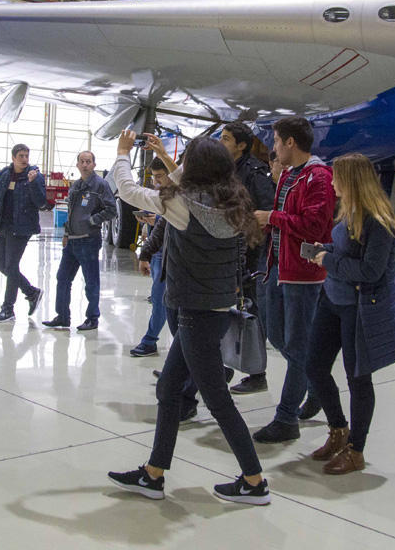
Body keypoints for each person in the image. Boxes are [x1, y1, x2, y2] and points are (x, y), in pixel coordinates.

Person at [107, 130, 270, 506]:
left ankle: (255, 481)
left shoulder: (182, 205)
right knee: (168, 389)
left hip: (195, 315)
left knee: (218, 401)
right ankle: (153, 474)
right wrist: (165, 155)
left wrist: (121, 153)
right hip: (211, 310)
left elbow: (128, 190)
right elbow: (190, 185)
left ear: (194, 169)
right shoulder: (231, 202)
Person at [306, 154, 395, 474]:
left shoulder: (378, 220)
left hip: (357, 310)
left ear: (350, 180)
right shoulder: (348, 212)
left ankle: (356, 449)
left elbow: (371, 271)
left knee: (358, 379)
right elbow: (346, 253)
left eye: (336, 177)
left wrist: (328, 261)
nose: (332, 183)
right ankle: (338, 429)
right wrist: (325, 250)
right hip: (332, 300)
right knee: (314, 366)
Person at [252, 116, 335, 443]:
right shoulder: (288, 175)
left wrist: (273, 217)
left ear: (290, 143)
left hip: (303, 274)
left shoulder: (318, 177)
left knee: (298, 346)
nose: (273, 148)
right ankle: (315, 383)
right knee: (277, 336)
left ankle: (287, 418)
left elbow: (314, 227)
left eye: (275, 141)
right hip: (277, 266)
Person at [220, 121, 276, 395]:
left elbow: (266, 214)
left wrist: (249, 248)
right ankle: (224, 364)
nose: (221, 142)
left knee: (251, 313)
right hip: (226, 249)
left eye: (227, 138)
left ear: (241, 145)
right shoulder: (224, 170)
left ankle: (257, 373)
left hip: (250, 254)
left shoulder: (255, 173)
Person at [42, 151, 116, 332]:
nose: (85, 165)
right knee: (63, 278)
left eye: (88, 161)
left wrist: (91, 221)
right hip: (72, 242)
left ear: (94, 165)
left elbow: (112, 210)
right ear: (77, 165)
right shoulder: (76, 186)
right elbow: (71, 212)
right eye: (82, 161)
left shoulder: (100, 185)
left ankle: (92, 318)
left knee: (91, 281)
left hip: (88, 241)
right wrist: (66, 234)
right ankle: (62, 316)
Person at [0, 144, 46, 324]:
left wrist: (32, 183)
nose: (24, 159)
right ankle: (31, 292)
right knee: (1, 264)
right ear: (13, 157)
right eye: (20, 156)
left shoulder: (35, 176)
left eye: (26, 156)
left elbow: (41, 203)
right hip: (4, 226)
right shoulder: (4, 174)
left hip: (22, 228)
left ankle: (8, 308)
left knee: (11, 266)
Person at [129, 157, 173, 357]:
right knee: (159, 300)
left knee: (164, 302)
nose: (156, 182)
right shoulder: (158, 194)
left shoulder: (180, 196)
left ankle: (151, 341)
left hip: (173, 257)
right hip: (158, 253)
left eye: (160, 177)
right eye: (154, 177)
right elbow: (160, 228)